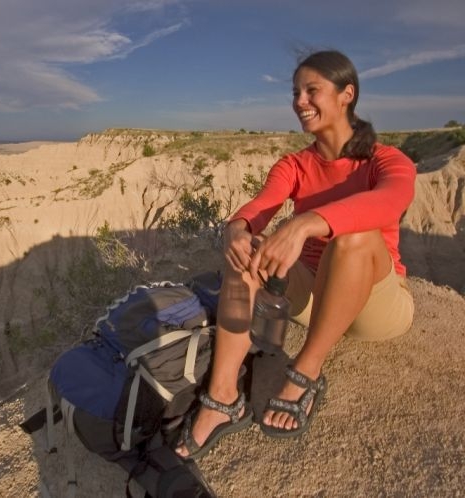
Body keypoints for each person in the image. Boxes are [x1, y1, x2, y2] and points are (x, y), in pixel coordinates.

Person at [176, 50, 416, 458]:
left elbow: (390, 202)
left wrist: (305, 223)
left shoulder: (385, 160)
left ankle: (306, 370)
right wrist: (237, 228)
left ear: (346, 94)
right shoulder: (294, 164)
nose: (300, 101)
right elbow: (262, 205)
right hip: (317, 298)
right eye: (295, 92)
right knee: (245, 253)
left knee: (354, 237)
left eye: (312, 90)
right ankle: (223, 398)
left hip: (378, 307)